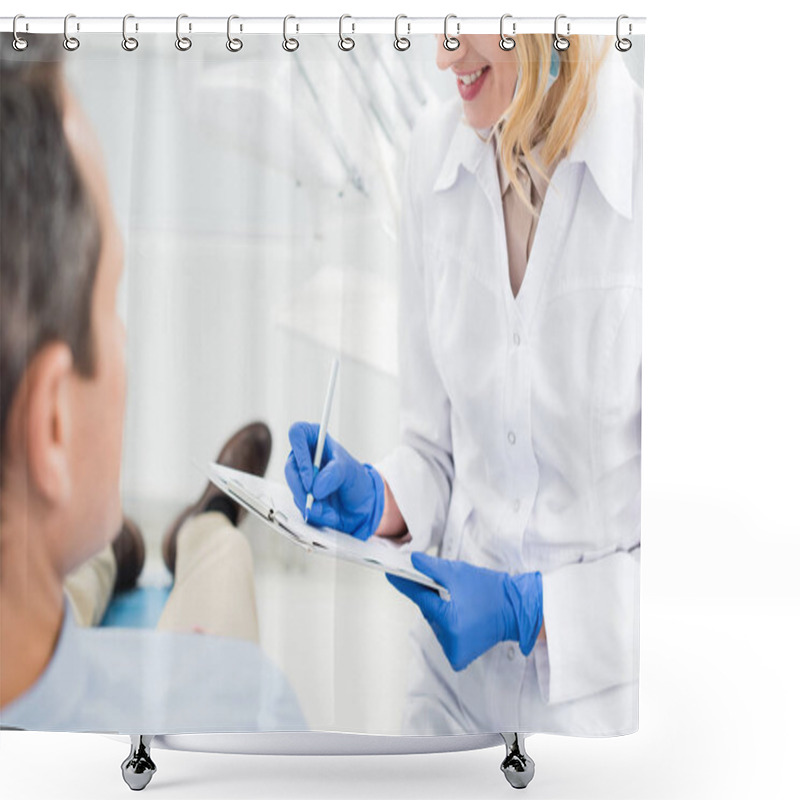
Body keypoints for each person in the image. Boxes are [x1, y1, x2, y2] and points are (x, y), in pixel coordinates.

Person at [286, 34, 641, 736]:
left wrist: (531, 609)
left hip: (599, 716)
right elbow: (434, 450)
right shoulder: (433, 154)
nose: (444, 59)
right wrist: (374, 500)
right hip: (451, 697)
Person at [0, 35, 305, 734]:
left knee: (47, 580)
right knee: (217, 570)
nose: (126, 342)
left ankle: (110, 551)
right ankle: (198, 530)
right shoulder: (234, 715)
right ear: (52, 424)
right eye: (112, 304)